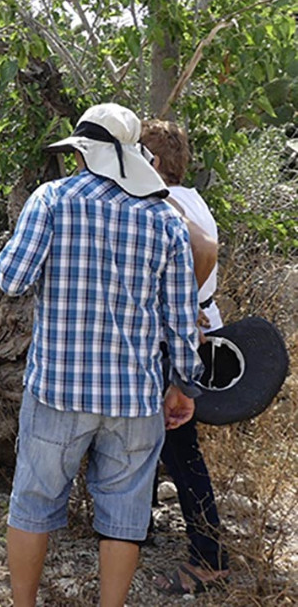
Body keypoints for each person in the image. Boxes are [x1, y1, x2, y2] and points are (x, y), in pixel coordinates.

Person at [0, 103, 204, 607]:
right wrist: (183, 384)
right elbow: (180, 316)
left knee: (31, 506)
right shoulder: (163, 219)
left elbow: (12, 279)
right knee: (125, 518)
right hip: (134, 396)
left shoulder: (52, 200)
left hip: (58, 389)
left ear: (83, 152)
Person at [141, 119, 230, 595]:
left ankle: (209, 559)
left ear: (151, 162)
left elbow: (204, 253)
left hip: (177, 339)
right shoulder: (193, 199)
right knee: (160, 443)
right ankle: (140, 529)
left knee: (180, 450)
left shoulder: (167, 203)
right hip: (195, 329)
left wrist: (182, 315)